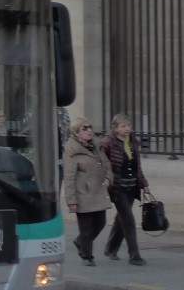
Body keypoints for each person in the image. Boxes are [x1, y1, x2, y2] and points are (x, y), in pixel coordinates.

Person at [101, 113, 149, 265]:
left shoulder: (133, 141)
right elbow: (102, 163)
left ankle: (110, 248)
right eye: (123, 126)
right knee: (128, 219)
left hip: (131, 185)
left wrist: (144, 184)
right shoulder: (108, 142)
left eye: (128, 125)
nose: (127, 128)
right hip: (117, 187)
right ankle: (134, 255)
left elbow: (137, 166)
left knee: (121, 219)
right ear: (115, 128)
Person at [61, 119, 111, 266]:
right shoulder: (71, 151)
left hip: (98, 192)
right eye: (84, 128)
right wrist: (71, 201)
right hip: (83, 194)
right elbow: (69, 178)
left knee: (101, 222)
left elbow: (107, 164)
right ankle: (87, 256)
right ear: (76, 133)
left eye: (90, 127)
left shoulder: (97, 146)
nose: (89, 130)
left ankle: (80, 242)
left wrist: (109, 178)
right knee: (86, 228)